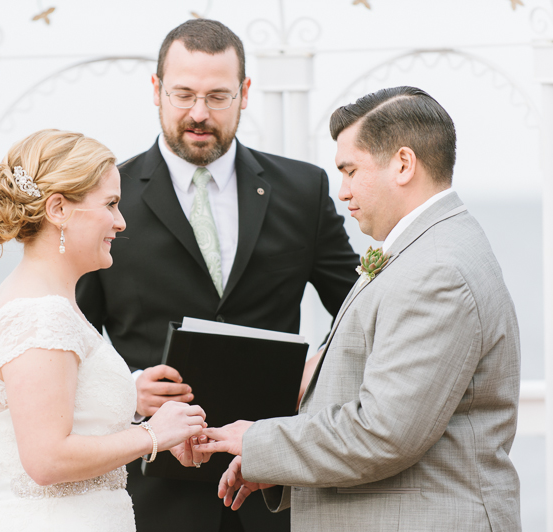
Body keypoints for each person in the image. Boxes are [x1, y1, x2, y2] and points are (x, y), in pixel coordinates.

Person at [75, 19, 360, 532]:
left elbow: (362, 313)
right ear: (156, 90)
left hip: (273, 486)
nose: (199, 114)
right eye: (183, 94)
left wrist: (317, 370)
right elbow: (71, 341)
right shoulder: (107, 202)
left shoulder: (304, 189)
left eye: (218, 96)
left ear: (245, 93)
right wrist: (127, 389)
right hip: (152, 492)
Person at [195, 87, 522, 531]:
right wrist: (273, 466)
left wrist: (256, 440)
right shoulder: (425, 249)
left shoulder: (437, 270)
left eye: (350, 171)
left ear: (403, 164)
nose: (343, 191)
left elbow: (383, 433)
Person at [0, 129, 208, 532]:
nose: (120, 221)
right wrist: (152, 434)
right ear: (59, 209)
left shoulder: (49, 301)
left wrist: (145, 416)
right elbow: (47, 459)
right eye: (111, 204)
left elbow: (67, 419)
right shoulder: (41, 314)